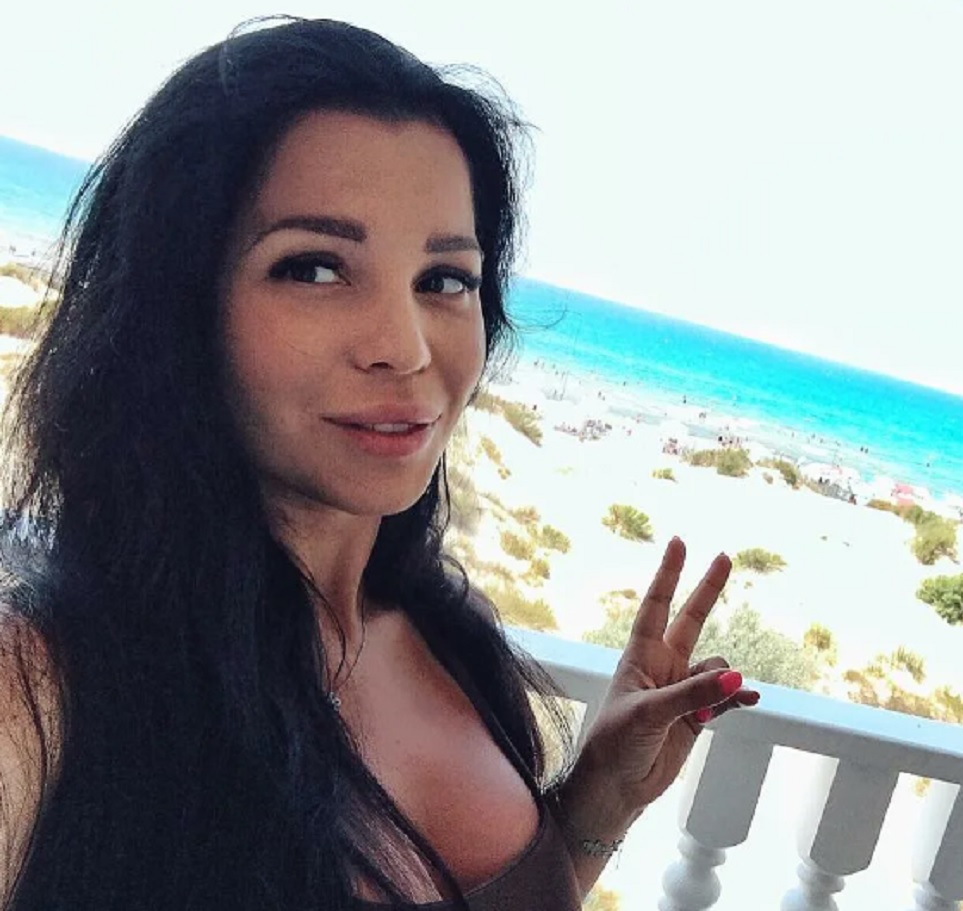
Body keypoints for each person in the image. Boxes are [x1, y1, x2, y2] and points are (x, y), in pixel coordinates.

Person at [0, 18, 758, 911]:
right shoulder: (43, 692)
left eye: (444, 280)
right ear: (179, 306)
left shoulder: (447, 633)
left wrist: (600, 799)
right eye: (316, 269)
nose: (405, 347)